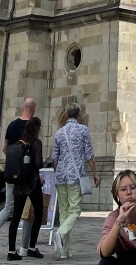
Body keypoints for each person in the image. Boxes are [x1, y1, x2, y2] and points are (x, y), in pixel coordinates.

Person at [0, 98, 36, 258]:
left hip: (10, 172)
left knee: (8, 207)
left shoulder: (12, 125)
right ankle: (24, 247)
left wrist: (14, 162)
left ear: (23, 108)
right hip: (26, 176)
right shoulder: (32, 126)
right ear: (33, 109)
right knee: (29, 209)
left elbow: (4, 149)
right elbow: (33, 152)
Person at [52, 103, 101, 260]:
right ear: (79, 115)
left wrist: (59, 172)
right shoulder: (83, 130)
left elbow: (54, 158)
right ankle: (60, 233)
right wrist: (95, 173)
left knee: (64, 212)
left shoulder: (59, 132)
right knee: (74, 211)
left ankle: (64, 251)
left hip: (60, 177)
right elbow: (89, 155)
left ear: (66, 114)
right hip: (75, 176)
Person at [7, 117, 44, 261]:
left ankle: (11, 251)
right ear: (37, 128)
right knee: (38, 213)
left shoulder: (20, 142)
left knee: (16, 217)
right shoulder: (36, 143)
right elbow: (38, 164)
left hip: (19, 184)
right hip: (32, 183)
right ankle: (32, 247)